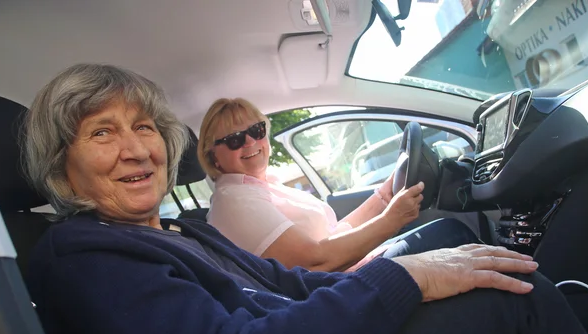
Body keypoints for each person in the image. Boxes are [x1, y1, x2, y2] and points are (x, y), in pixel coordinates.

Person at [23, 63, 588, 334]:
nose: (135, 149)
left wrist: (408, 261)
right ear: (61, 165)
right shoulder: (83, 257)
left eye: (142, 127)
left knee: (462, 255)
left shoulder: (180, 229)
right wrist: (399, 279)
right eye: (102, 132)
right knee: (511, 304)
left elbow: (294, 283)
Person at [198, 98, 481, 272]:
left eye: (256, 131)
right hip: (339, 289)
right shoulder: (235, 200)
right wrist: (391, 220)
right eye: (235, 139)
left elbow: (331, 235)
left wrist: (384, 196)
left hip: (344, 273)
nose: (250, 142)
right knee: (452, 232)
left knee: (449, 235)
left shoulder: (258, 187)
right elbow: (315, 261)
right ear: (214, 156)